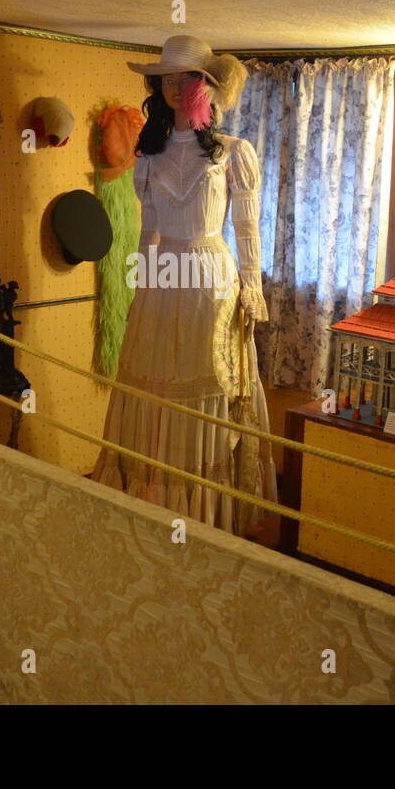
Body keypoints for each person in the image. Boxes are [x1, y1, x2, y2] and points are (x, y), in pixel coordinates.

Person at [89, 35, 277, 534]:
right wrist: (139, 286)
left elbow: (247, 227)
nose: (174, 86)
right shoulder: (147, 156)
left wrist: (252, 287)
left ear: (206, 87)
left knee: (208, 383)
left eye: (185, 77)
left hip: (211, 281)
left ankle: (203, 512)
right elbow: (148, 229)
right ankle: (151, 499)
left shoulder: (233, 153)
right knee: (155, 384)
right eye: (166, 78)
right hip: (161, 279)